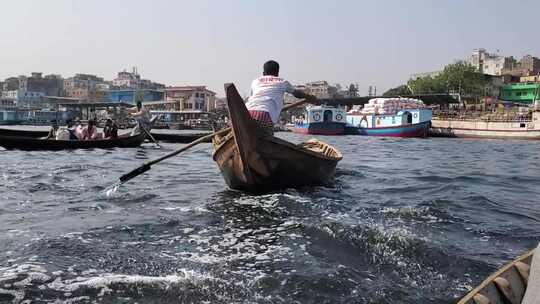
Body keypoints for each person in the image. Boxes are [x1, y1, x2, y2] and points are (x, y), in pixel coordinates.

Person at [245, 60, 317, 135]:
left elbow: (252, 97)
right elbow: (297, 94)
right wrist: (309, 97)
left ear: (263, 73)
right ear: (277, 73)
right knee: (267, 140)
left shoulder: (255, 81)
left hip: (246, 112)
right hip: (264, 114)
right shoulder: (283, 82)